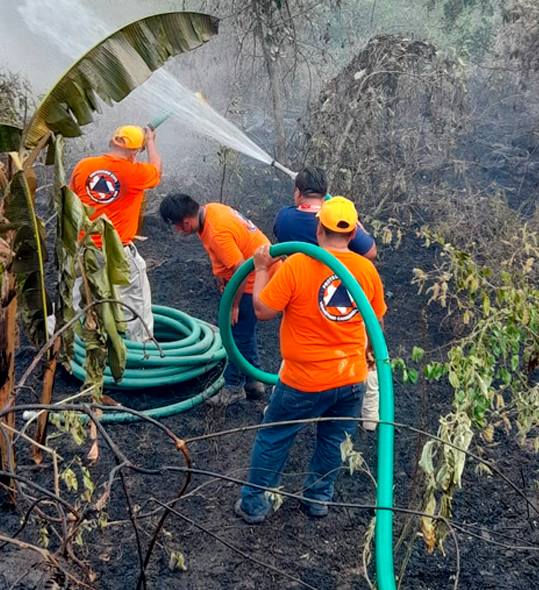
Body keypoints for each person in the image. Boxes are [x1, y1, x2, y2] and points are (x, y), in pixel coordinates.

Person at [235, 197, 387, 524]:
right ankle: (317, 498)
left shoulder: (298, 265)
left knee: (274, 436)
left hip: (303, 380)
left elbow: (262, 310)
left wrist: (261, 269)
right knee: (334, 440)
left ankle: (255, 504)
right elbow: (376, 325)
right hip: (350, 378)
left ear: (319, 229)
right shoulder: (366, 270)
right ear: (353, 234)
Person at [273, 167, 380, 433]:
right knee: (364, 352)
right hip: (345, 296)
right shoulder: (345, 233)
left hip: (303, 297)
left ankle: (279, 410)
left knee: (298, 355)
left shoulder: (285, 218)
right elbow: (370, 251)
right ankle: (371, 417)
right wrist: (356, 227)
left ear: (298, 193)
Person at [159, 194, 269, 405]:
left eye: (177, 226)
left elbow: (242, 270)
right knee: (244, 331)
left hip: (255, 279)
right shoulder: (210, 211)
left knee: (236, 335)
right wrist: (220, 273)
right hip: (255, 272)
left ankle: (234, 388)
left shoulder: (217, 232)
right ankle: (254, 380)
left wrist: (234, 306)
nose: (177, 231)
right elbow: (230, 254)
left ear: (186, 222)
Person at [69, 125, 161, 344]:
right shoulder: (135, 173)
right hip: (118, 252)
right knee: (137, 302)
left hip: (84, 249)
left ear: (111, 142)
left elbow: (70, 199)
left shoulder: (84, 166)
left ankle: (59, 343)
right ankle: (142, 350)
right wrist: (150, 142)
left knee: (73, 299)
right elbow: (156, 169)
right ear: (134, 152)